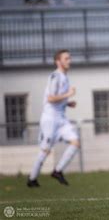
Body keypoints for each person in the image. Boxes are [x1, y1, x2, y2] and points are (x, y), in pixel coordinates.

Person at [27, 50, 80, 187]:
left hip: (61, 119)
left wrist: (68, 103)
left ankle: (58, 171)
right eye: (66, 58)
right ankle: (32, 179)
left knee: (75, 142)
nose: (69, 61)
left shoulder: (64, 77)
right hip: (50, 120)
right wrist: (68, 94)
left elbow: (56, 98)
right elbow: (50, 98)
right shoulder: (55, 76)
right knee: (45, 150)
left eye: (69, 58)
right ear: (58, 61)